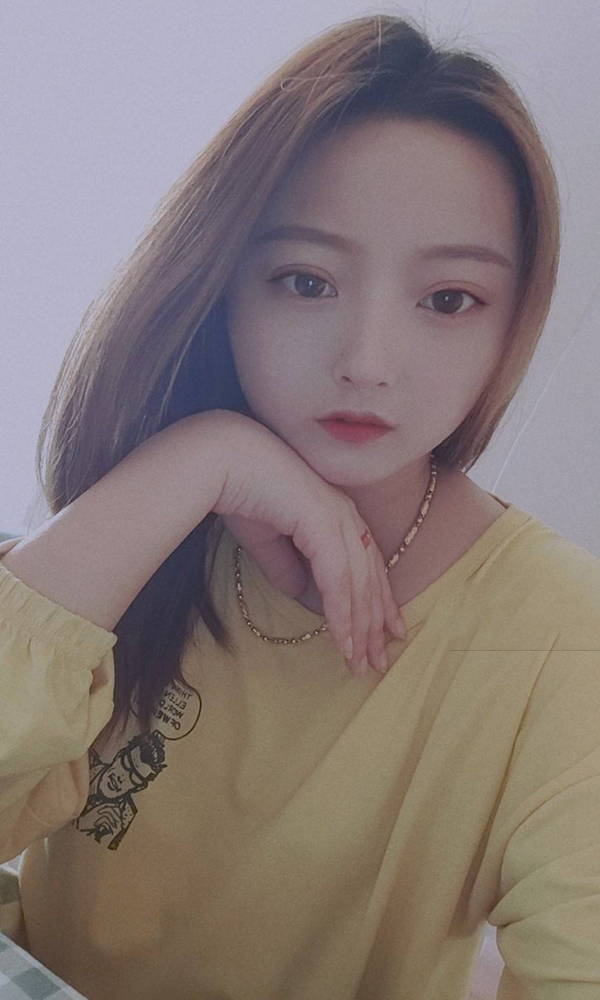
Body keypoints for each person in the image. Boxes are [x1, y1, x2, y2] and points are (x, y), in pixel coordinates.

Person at [0, 11, 599, 1000]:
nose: (366, 361)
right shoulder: (152, 523)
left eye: (449, 298)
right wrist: (198, 461)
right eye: (306, 280)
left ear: (509, 324)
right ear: (222, 287)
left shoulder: (559, 638)